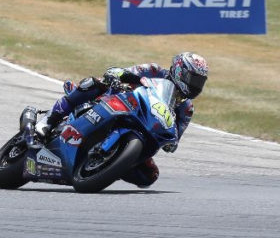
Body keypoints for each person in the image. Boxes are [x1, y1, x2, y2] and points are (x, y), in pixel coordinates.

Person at [33, 52, 209, 188]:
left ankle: (108, 167)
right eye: (193, 79)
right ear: (180, 71)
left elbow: (176, 138)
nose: (195, 86)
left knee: (149, 176)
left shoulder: (186, 109)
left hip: (145, 128)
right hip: (116, 101)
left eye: (200, 82)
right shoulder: (155, 71)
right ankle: (49, 119)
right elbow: (123, 72)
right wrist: (117, 76)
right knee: (93, 84)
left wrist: (171, 143)